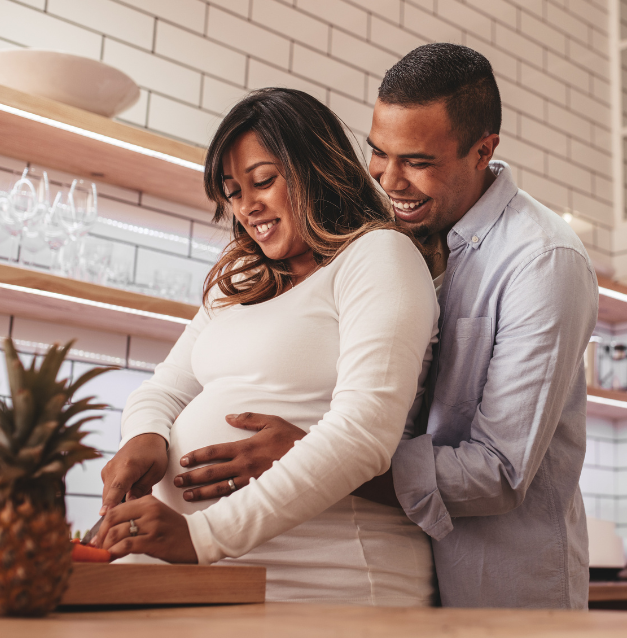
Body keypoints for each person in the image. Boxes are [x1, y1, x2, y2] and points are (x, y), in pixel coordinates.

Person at [155, 44, 600, 609]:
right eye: (378, 154)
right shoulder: (395, 234)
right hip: (408, 566)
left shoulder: (542, 263)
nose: (390, 181)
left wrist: (304, 451)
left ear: (482, 151)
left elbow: (498, 473)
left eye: (417, 161)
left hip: (499, 587)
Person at [91, 87, 440, 606]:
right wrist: (145, 434)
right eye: (232, 191)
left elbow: (364, 435)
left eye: (263, 181)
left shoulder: (377, 257)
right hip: (200, 585)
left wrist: (201, 535)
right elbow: (165, 387)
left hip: (321, 586)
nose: (247, 206)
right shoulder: (240, 275)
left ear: (316, 168)